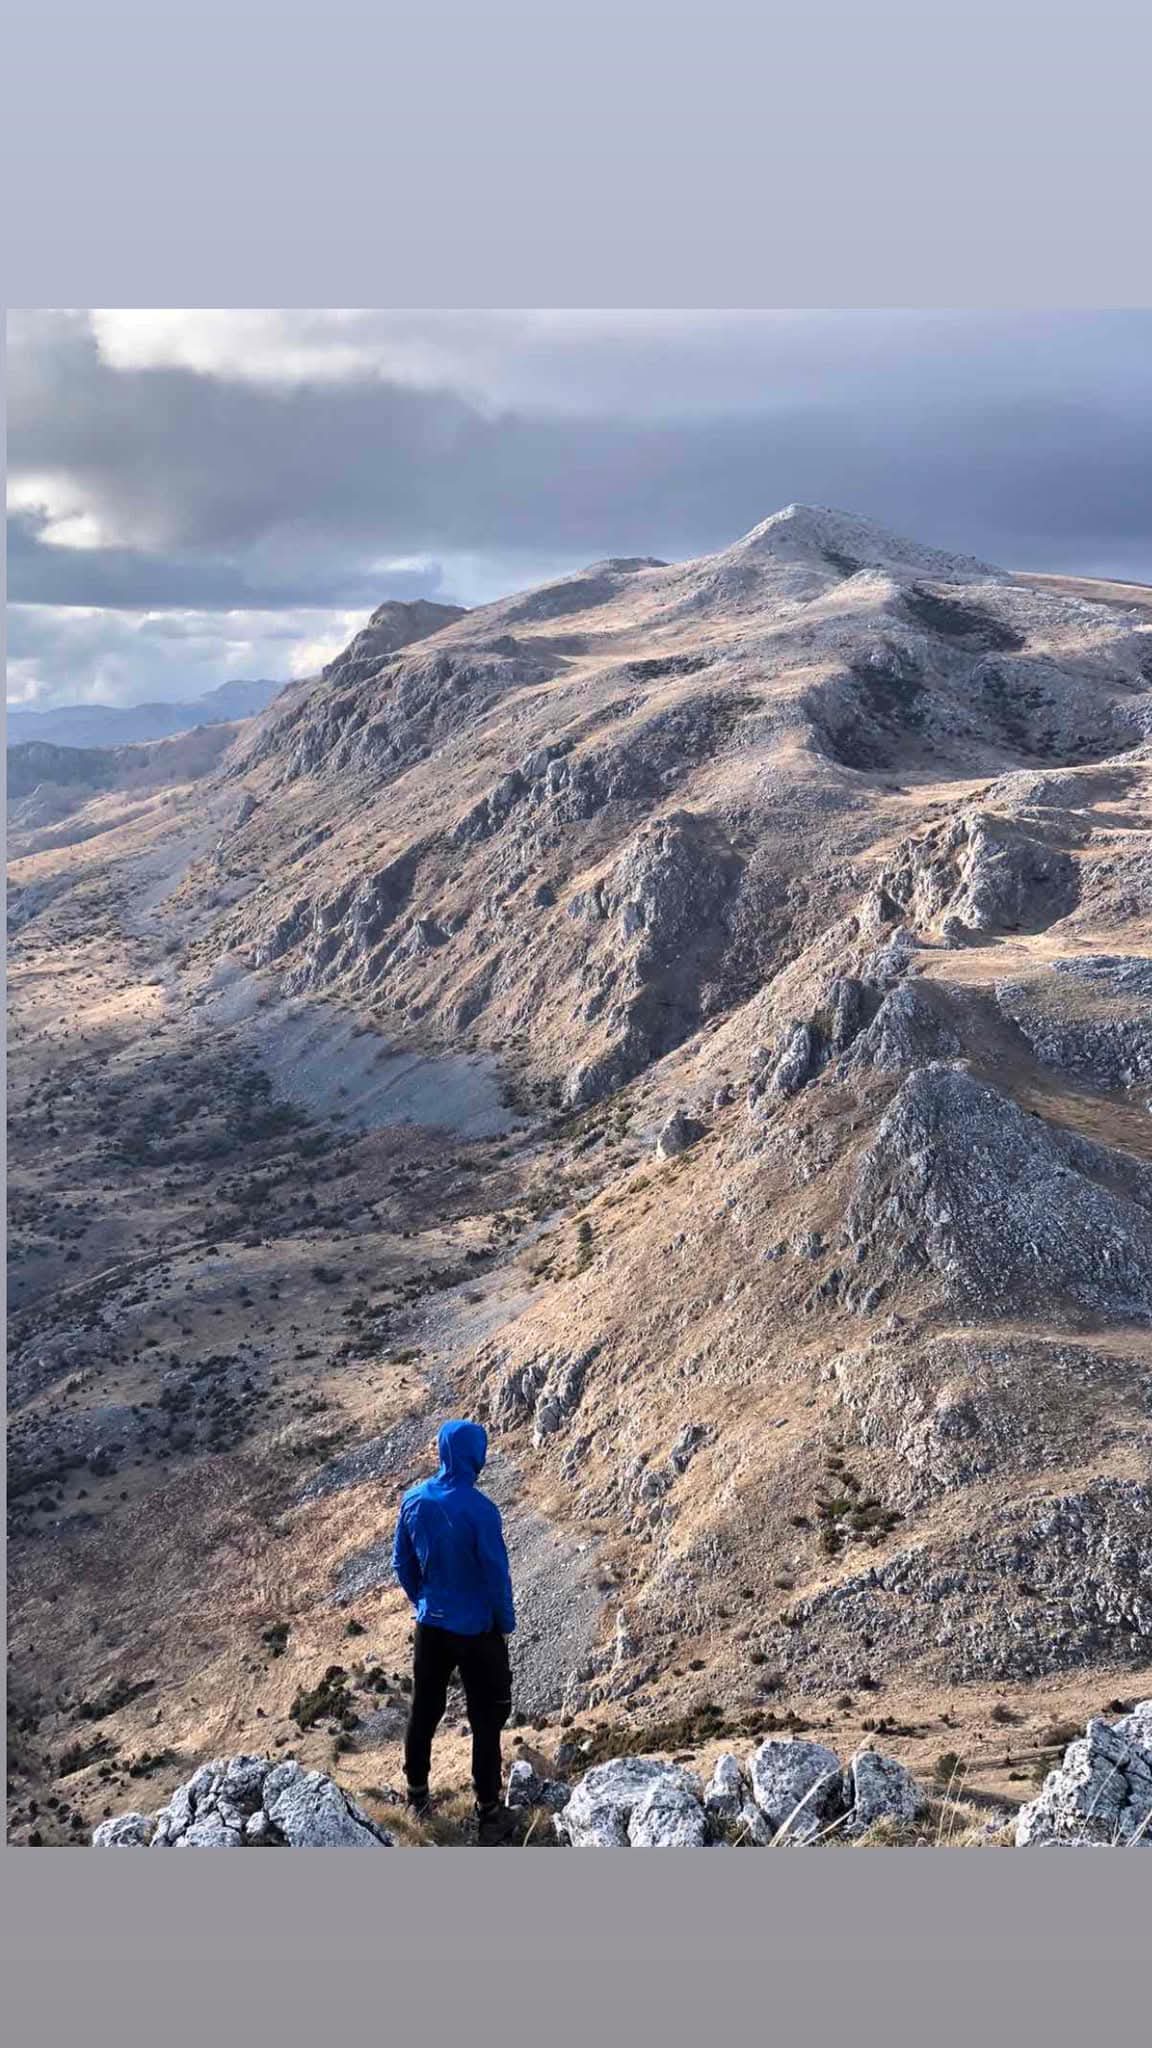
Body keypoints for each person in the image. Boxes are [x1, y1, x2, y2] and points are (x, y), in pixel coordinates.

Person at [391, 1417, 518, 1844]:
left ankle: (417, 1797)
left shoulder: (413, 1500)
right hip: (477, 1631)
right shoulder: (481, 1510)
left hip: (431, 1627)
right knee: (486, 1719)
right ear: (473, 1456)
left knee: (424, 1709)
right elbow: (497, 1576)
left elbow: (402, 1564)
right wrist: (505, 1623)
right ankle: (489, 1813)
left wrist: (424, 1601)